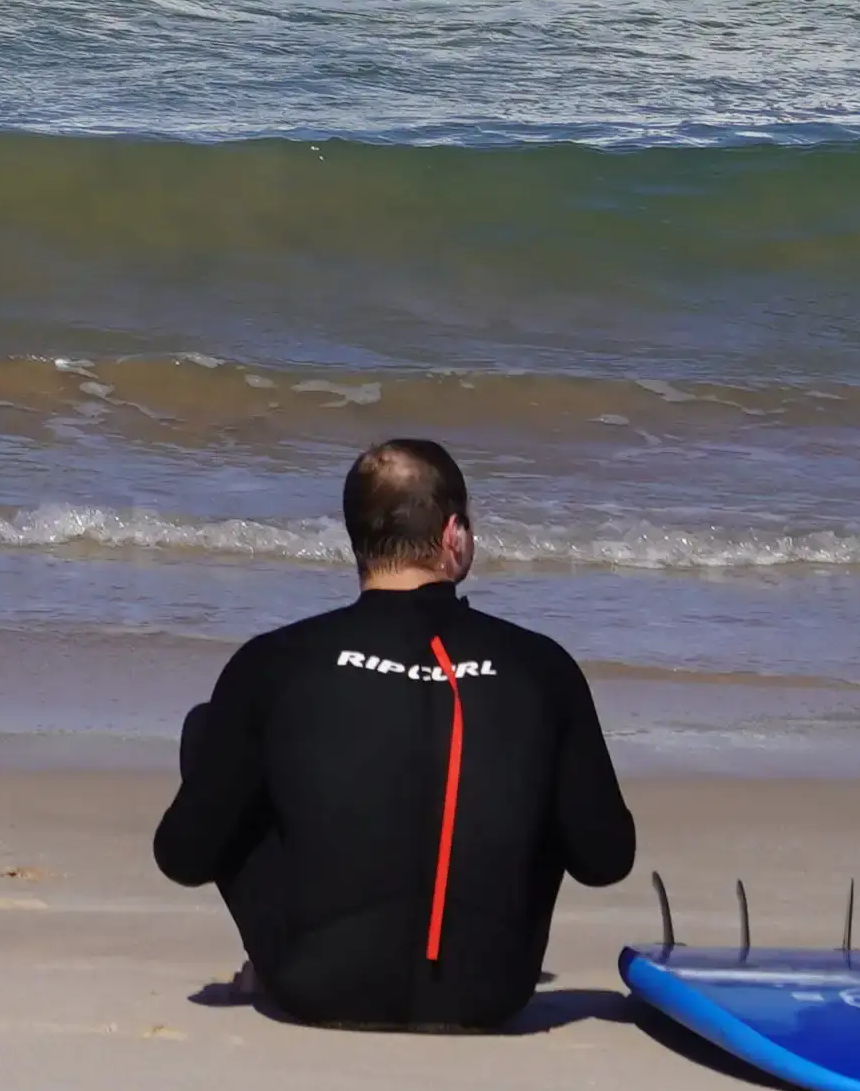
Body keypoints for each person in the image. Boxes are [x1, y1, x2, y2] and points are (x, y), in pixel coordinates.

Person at [151, 436, 632, 1031]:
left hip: (315, 988)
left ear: (357, 541)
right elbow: (606, 859)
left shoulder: (274, 661)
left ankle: (315, 930)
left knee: (213, 729)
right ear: (454, 535)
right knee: (533, 746)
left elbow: (183, 856)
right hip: (492, 994)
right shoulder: (542, 666)